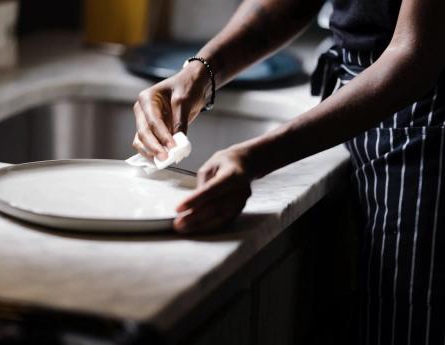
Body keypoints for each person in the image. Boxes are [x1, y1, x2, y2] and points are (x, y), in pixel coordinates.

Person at [131, 0, 445, 343]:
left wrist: (255, 158)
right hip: (364, 99)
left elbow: (415, 57)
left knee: (408, 326)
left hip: (428, 127)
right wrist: (198, 74)